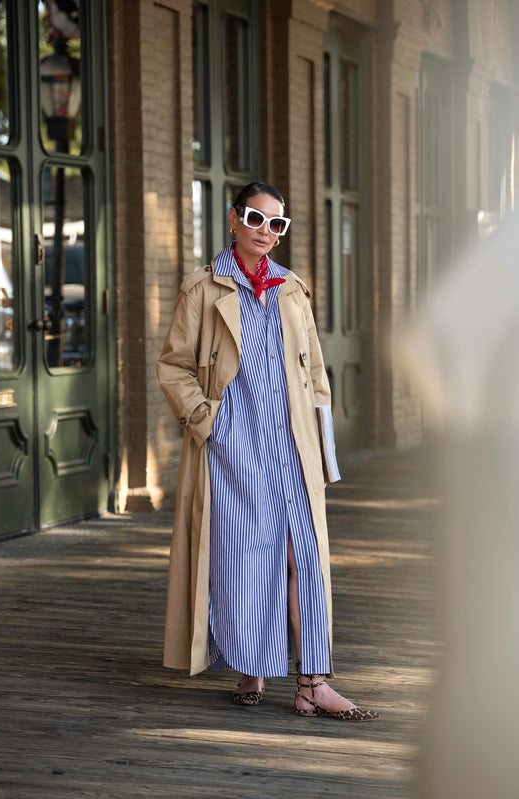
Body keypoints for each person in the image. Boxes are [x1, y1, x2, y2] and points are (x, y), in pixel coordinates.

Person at [156, 182, 378, 721]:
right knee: (246, 562)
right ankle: (252, 665)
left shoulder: (291, 288)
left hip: (292, 448)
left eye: (277, 224)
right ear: (233, 219)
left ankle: (313, 683)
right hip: (234, 448)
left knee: (306, 561)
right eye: (256, 218)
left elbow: (316, 375)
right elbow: (174, 367)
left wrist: (322, 449)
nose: (265, 231)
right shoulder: (203, 287)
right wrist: (211, 425)